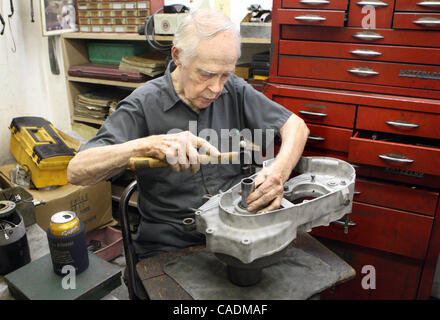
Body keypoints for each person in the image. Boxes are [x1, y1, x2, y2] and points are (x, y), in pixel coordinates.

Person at [67, 9, 309, 262]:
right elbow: (77, 170)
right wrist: (146, 145)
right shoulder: (142, 104)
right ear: (178, 56)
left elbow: (296, 126)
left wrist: (278, 173)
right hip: (171, 241)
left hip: (236, 228)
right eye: (205, 74)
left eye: (225, 74)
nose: (216, 88)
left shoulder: (234, 89)